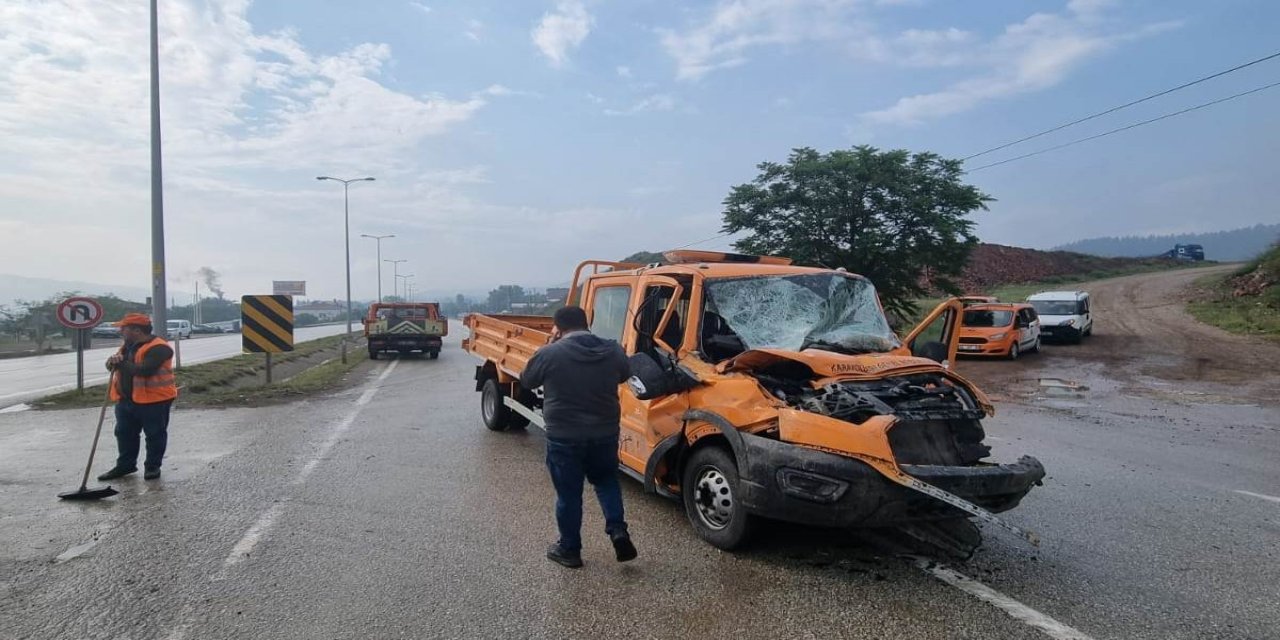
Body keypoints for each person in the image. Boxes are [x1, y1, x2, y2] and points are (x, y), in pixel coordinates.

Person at [521, 306, 637, 568]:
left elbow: (527, 380)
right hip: (605, 432)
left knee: (569, 494)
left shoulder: (551, 353)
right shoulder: (613, 349)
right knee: (606, 481)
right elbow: (625, 374)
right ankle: (618, 530)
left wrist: (546, 346)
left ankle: (570, 550)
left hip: (565, 435)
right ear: (587, 323)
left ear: (558, 328)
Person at [97, 313, 178, 481]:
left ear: (136, 330)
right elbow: (114, 367)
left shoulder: (159, 348)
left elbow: (144, 371)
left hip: (154, 400)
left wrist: (121, 363)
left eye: (123, 328)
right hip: (126, 399)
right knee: (123, 433)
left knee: (155, 434)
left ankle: (152, 467)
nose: (120, 331)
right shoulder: (127, 346)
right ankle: (125, 465)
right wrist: (112, 362)